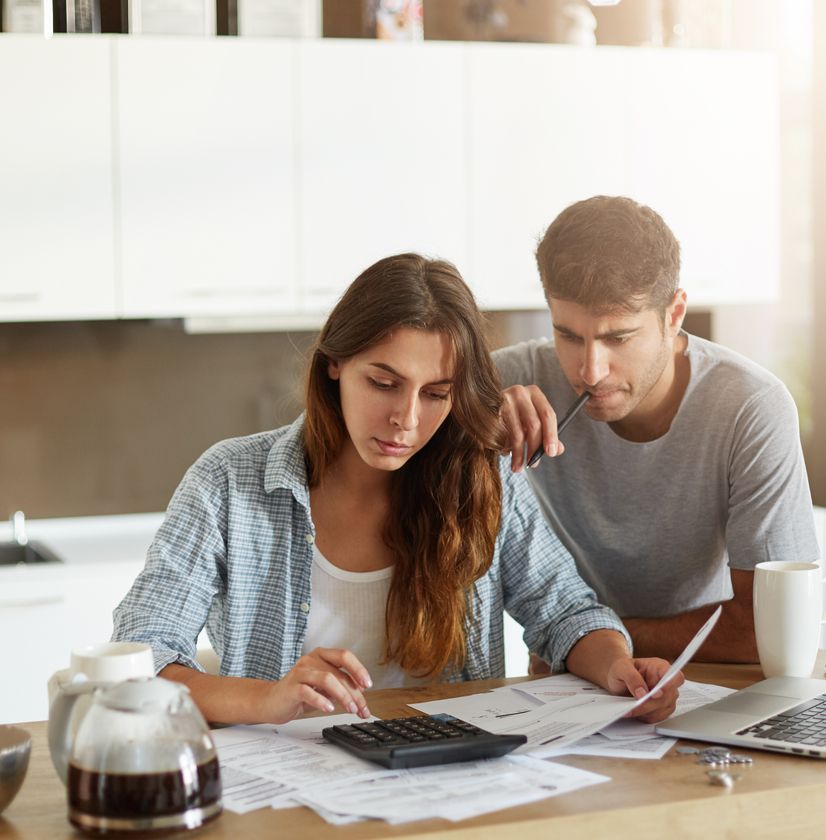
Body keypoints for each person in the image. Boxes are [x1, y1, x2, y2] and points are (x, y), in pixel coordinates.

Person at [112, 252, 681, 725]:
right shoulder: (229, 484)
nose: (405, 419)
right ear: (335, 363)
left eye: (436, 394)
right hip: (286, 788)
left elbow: (566, 614)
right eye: (384, 383)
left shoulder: (482, 481)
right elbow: (140, 660)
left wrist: (617, 669)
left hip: (448, 780)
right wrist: (267, 698)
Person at [494, 196, 819, 665]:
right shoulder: (511, 384)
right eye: (568, 335)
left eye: (618, 337)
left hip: (708, 681)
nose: (590, 369)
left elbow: (764, 629)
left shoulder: (750, 407)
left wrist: (585, 640)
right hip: (567, 692)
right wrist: (469, 425)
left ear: (674, 315)